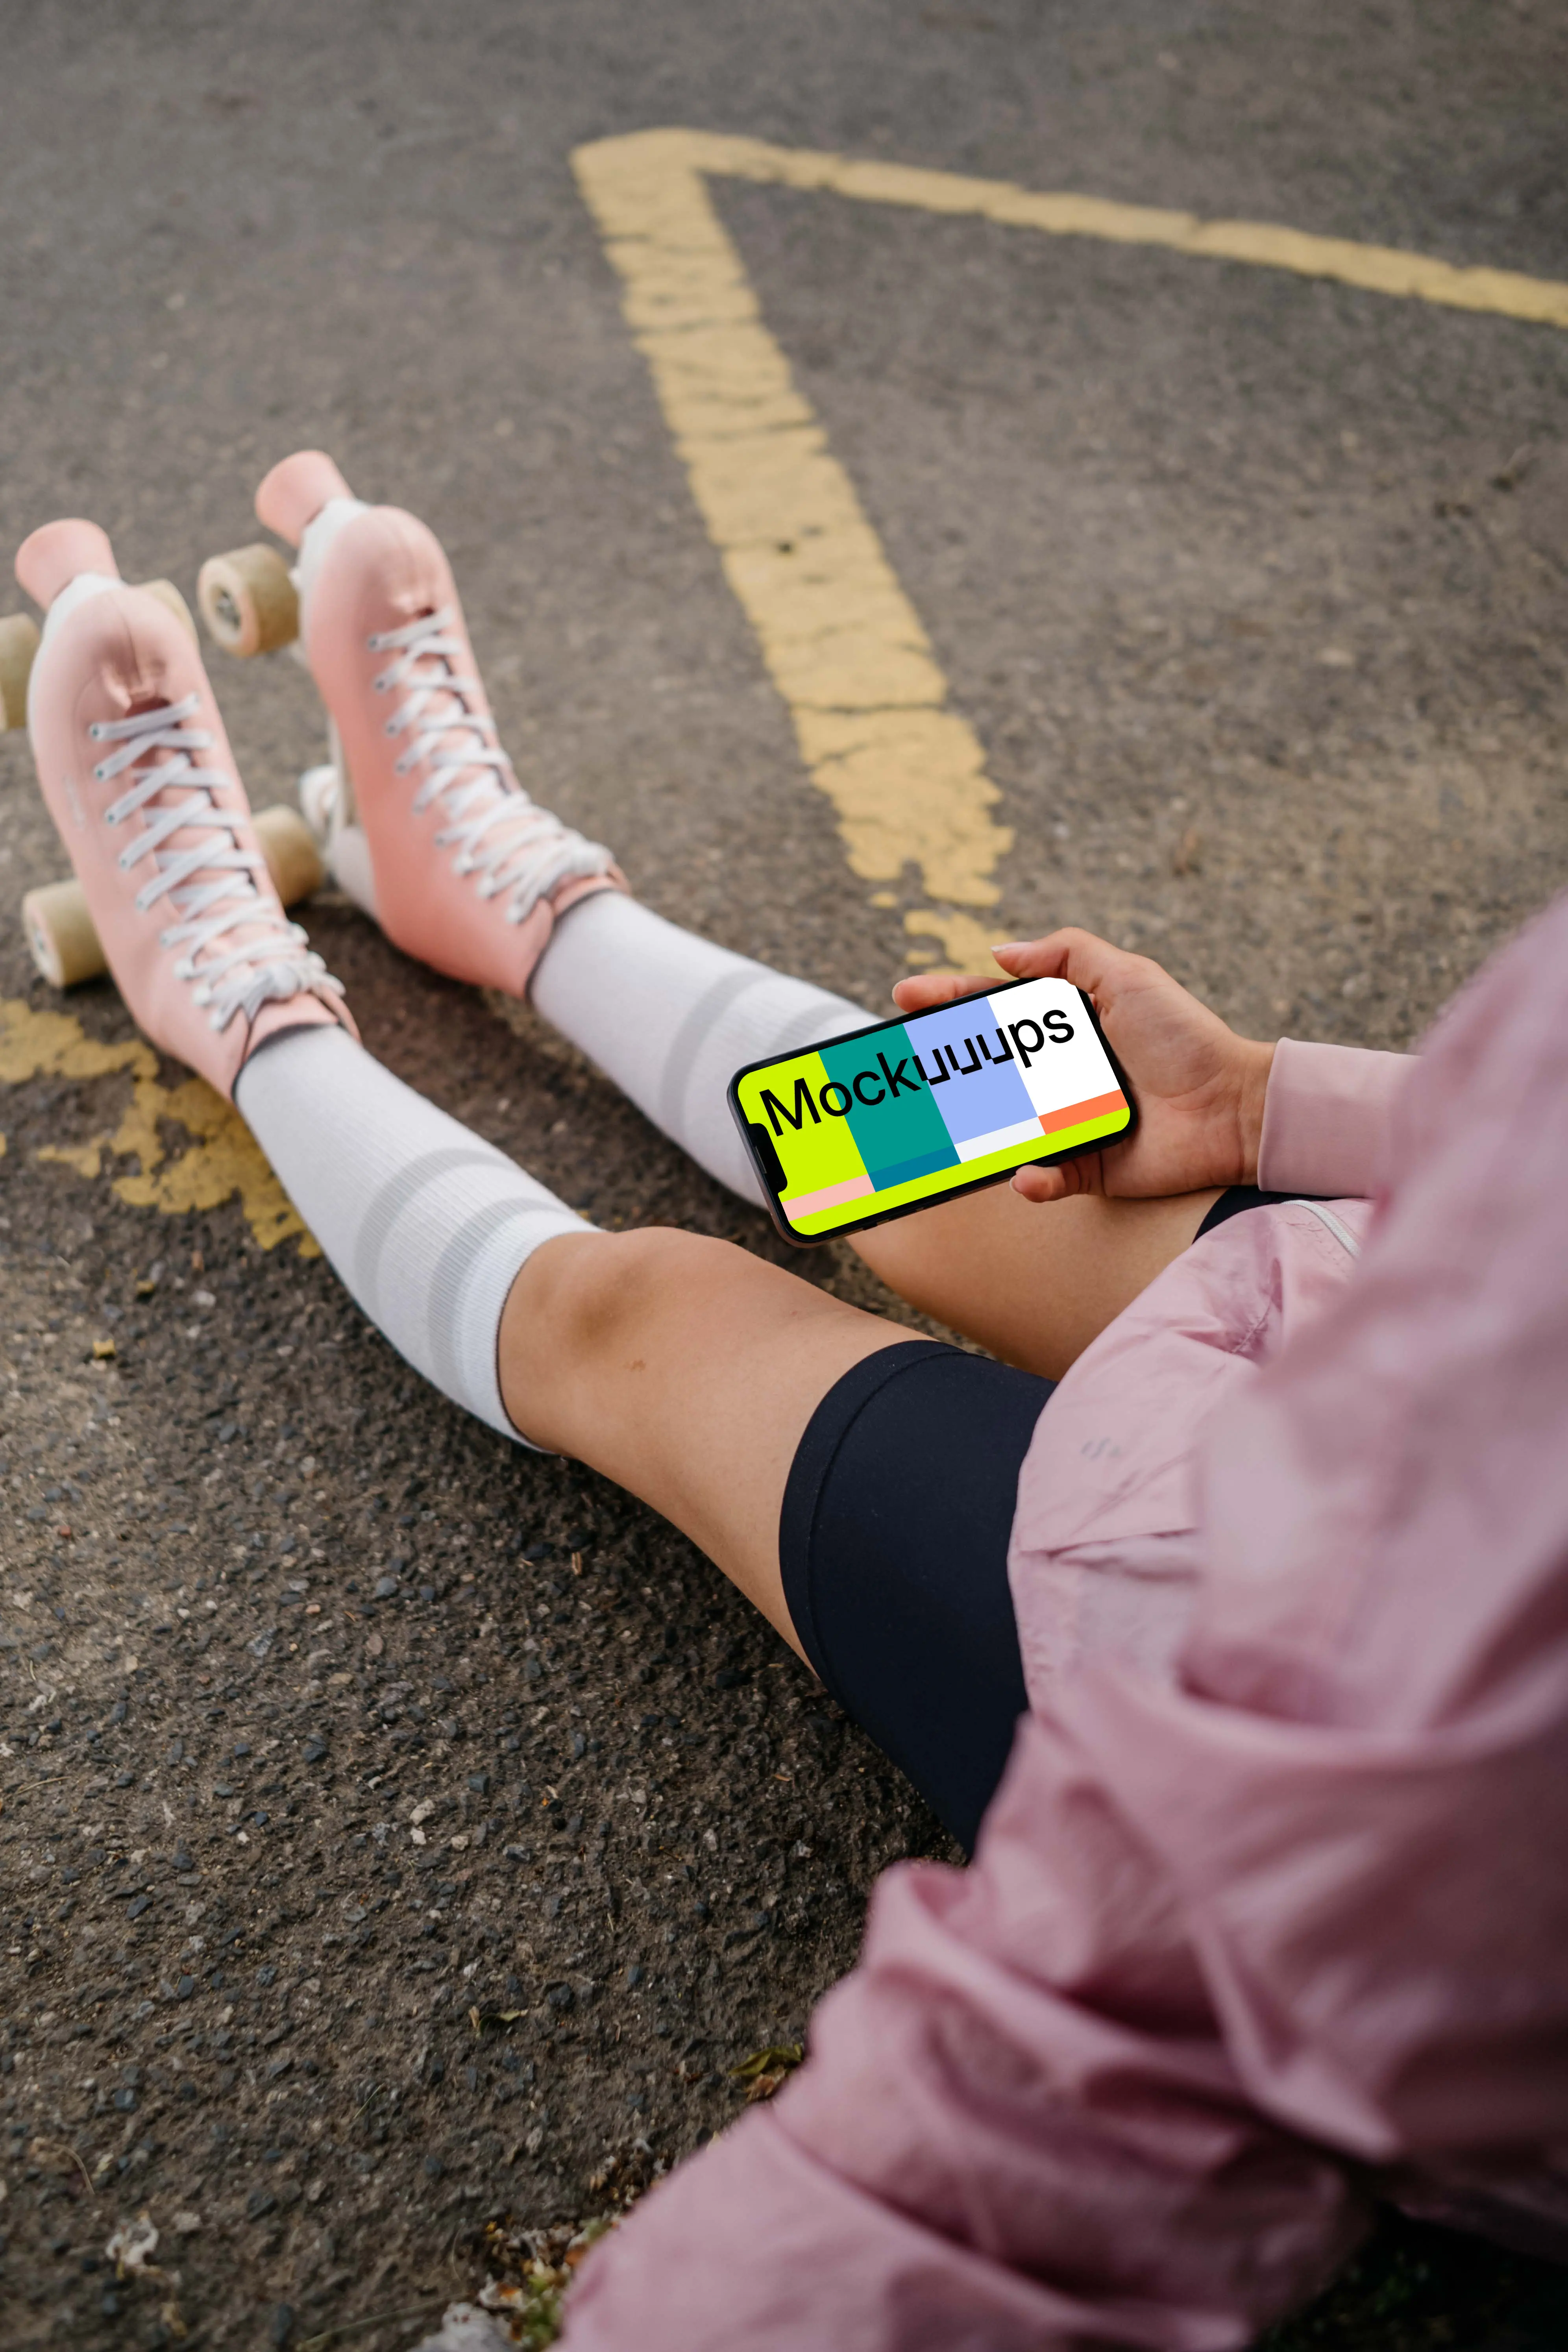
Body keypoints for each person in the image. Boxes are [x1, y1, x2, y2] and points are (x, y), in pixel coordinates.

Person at [13, 467, 1568, 2350]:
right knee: (933, 1113)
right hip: (1416, 1334)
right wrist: (1265, 1104)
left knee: (650, 1312)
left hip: (1259, 1668)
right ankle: (514, 896)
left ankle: (240, 1006)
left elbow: (1217, 1978)